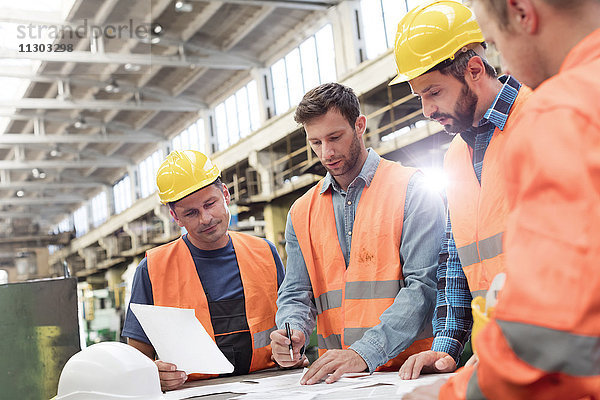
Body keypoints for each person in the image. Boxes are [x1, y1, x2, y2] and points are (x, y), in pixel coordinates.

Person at [432, 0, 600, 398]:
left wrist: (460, 393)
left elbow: (549, 329)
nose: (503, 66)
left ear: (523, 12)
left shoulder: (564, 109)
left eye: (496, 41)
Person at [389, 0, 531, 380]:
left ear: (474, 70)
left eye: (433, 92)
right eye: (420, 96)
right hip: (496, 364)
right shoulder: (454, 155)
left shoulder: (538, 122)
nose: (426, 110)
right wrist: (445, 347)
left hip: (555, 355)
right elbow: (455, 257)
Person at [270, 82, 446, 385]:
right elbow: (297, 293)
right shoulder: (301, 212)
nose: (327, 152)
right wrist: (292, 330)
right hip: (338, 382)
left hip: (411, 374)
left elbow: (424, 286)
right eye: (316, 143)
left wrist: (364, 352)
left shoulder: (412, 189)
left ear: (359, 125)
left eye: (335, 137)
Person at [122, 150, 285, 391]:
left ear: (225, 194)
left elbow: (288, 325)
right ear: (175, 217)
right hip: (193, 393)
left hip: (270, 386)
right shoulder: (152, 270)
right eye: (191, 213)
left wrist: (292, 351)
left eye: (210, 204)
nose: (206, 218)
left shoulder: (265, 253)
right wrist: (153, 374)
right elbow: (138, 358)